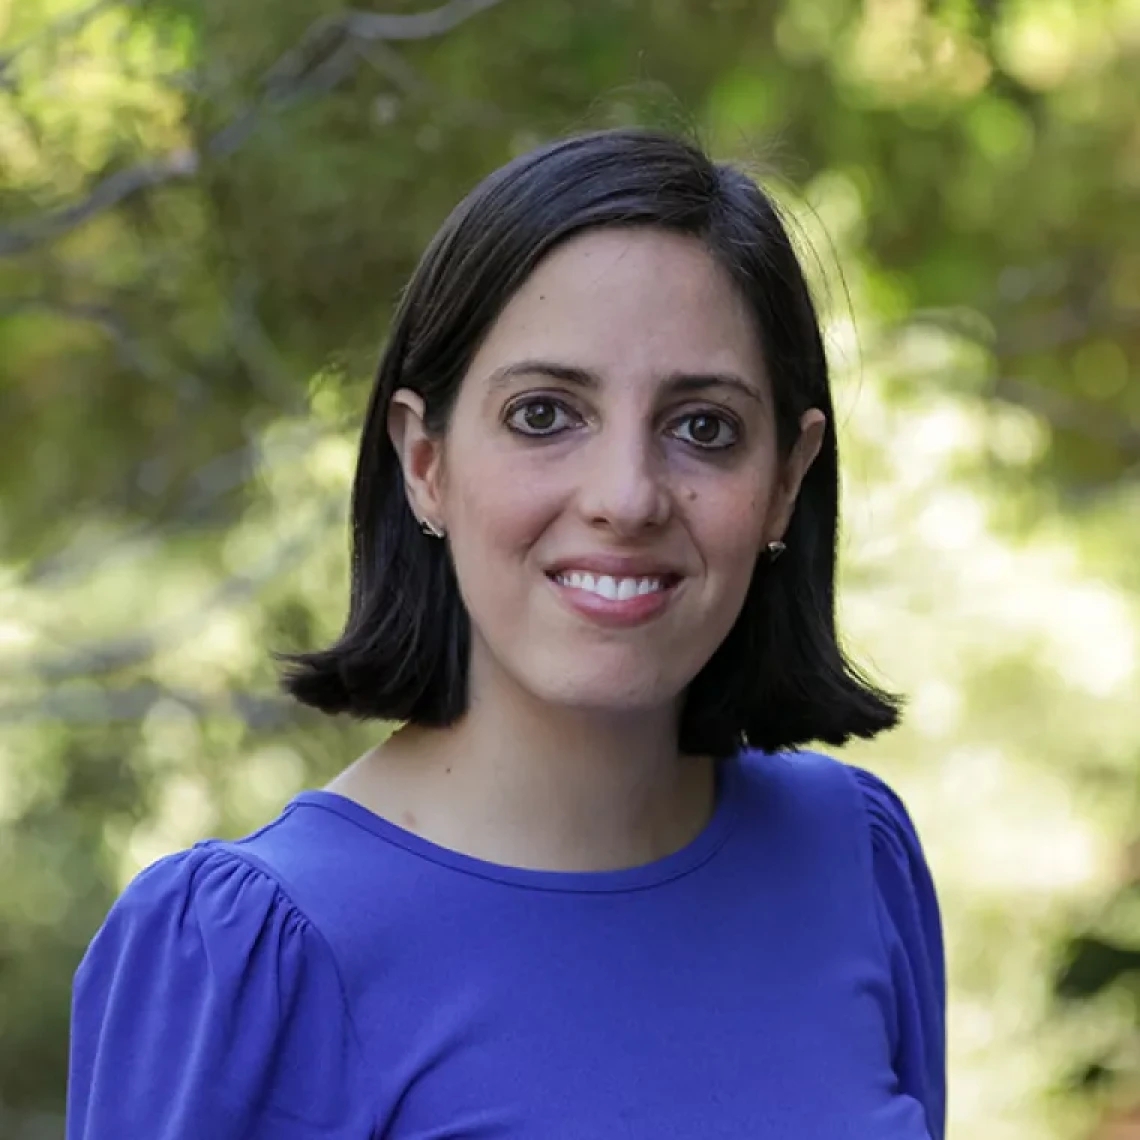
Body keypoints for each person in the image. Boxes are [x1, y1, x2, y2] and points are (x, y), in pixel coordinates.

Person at [67, 128, 946, 1139]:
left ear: (786, 480)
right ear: (426, 461)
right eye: (544, 414)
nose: (626, 496)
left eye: (702, 426)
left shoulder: (852, 859)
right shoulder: (251, 951)